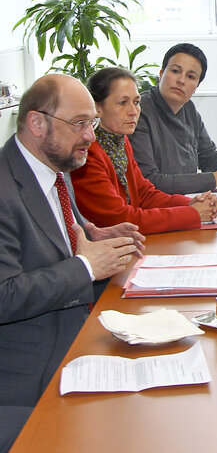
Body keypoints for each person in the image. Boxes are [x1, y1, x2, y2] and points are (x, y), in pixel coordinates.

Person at [0, 74, 144, 450]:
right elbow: (4, 295)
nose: (91, 137)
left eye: (92, 123)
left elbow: (59, 241)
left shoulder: (54, 171)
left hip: (80, 333)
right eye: (80, 124)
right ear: (37, 123)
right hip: (29, 375)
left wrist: (96, 235)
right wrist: (85, 267)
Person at [71, 68, 217, 234]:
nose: (133, 111)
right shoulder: (87, 154)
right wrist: (192, 213)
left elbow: (145, 194)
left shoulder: (121, 141)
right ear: (98, 109)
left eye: (136, 102)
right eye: (122, 103)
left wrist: (192, 203)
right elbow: (121, 219)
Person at [129, 43, 217, 194]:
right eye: (175, 71)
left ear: (196, 87)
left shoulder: (189, 109)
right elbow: (149, 180)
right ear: (161, 74)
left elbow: (208, 155)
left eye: (191, 76)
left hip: (187, 200)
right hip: (157, 206)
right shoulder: (139, 112)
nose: (181, 80)